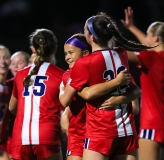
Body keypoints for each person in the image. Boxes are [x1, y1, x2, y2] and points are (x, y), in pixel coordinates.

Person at [59, 12, 155, 160]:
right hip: (126, 129)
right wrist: (118, 98)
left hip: (101, 129)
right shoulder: (121, 53)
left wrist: (62, 92)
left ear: (93, 37)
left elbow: (76, 98)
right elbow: (135, 90)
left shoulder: (85, 63)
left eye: (85, 29)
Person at [120, 7, 164, 160]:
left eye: (148, 35)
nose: (145, 40)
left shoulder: (152, 58)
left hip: (153, 123)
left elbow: (121, 54)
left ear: (155, 38)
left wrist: (104, 44)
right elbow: (150, 47)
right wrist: (132, 27)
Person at [9, 28, 64, 160]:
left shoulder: (20, 74)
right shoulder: (61, 75)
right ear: (55, 50)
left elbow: (12, 108)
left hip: (20, 138)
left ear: (32, 49)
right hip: (47, 136)